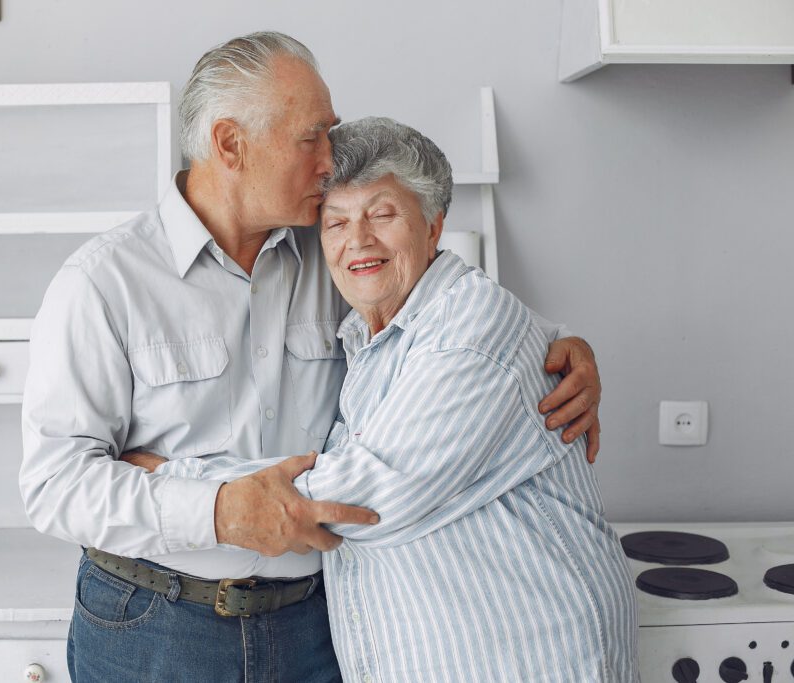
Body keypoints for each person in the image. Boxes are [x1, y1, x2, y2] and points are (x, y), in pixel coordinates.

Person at [21, 32, 605, 682]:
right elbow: (54, 485)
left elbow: (438, 308)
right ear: (231, 144)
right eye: (312, 138)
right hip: (155, 622)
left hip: (312, 624)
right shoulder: (103, 283)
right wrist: (215, 508)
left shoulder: (330, 252)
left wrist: (557, 344)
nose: (331, 160)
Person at [149, 117, 638, 682]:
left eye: (383, 214)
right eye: (336, 222)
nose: (358, 240)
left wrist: (170, 476)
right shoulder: (365, 336)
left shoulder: (472, 329)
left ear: (434, 226)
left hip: (527, 659)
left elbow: (367, 497)